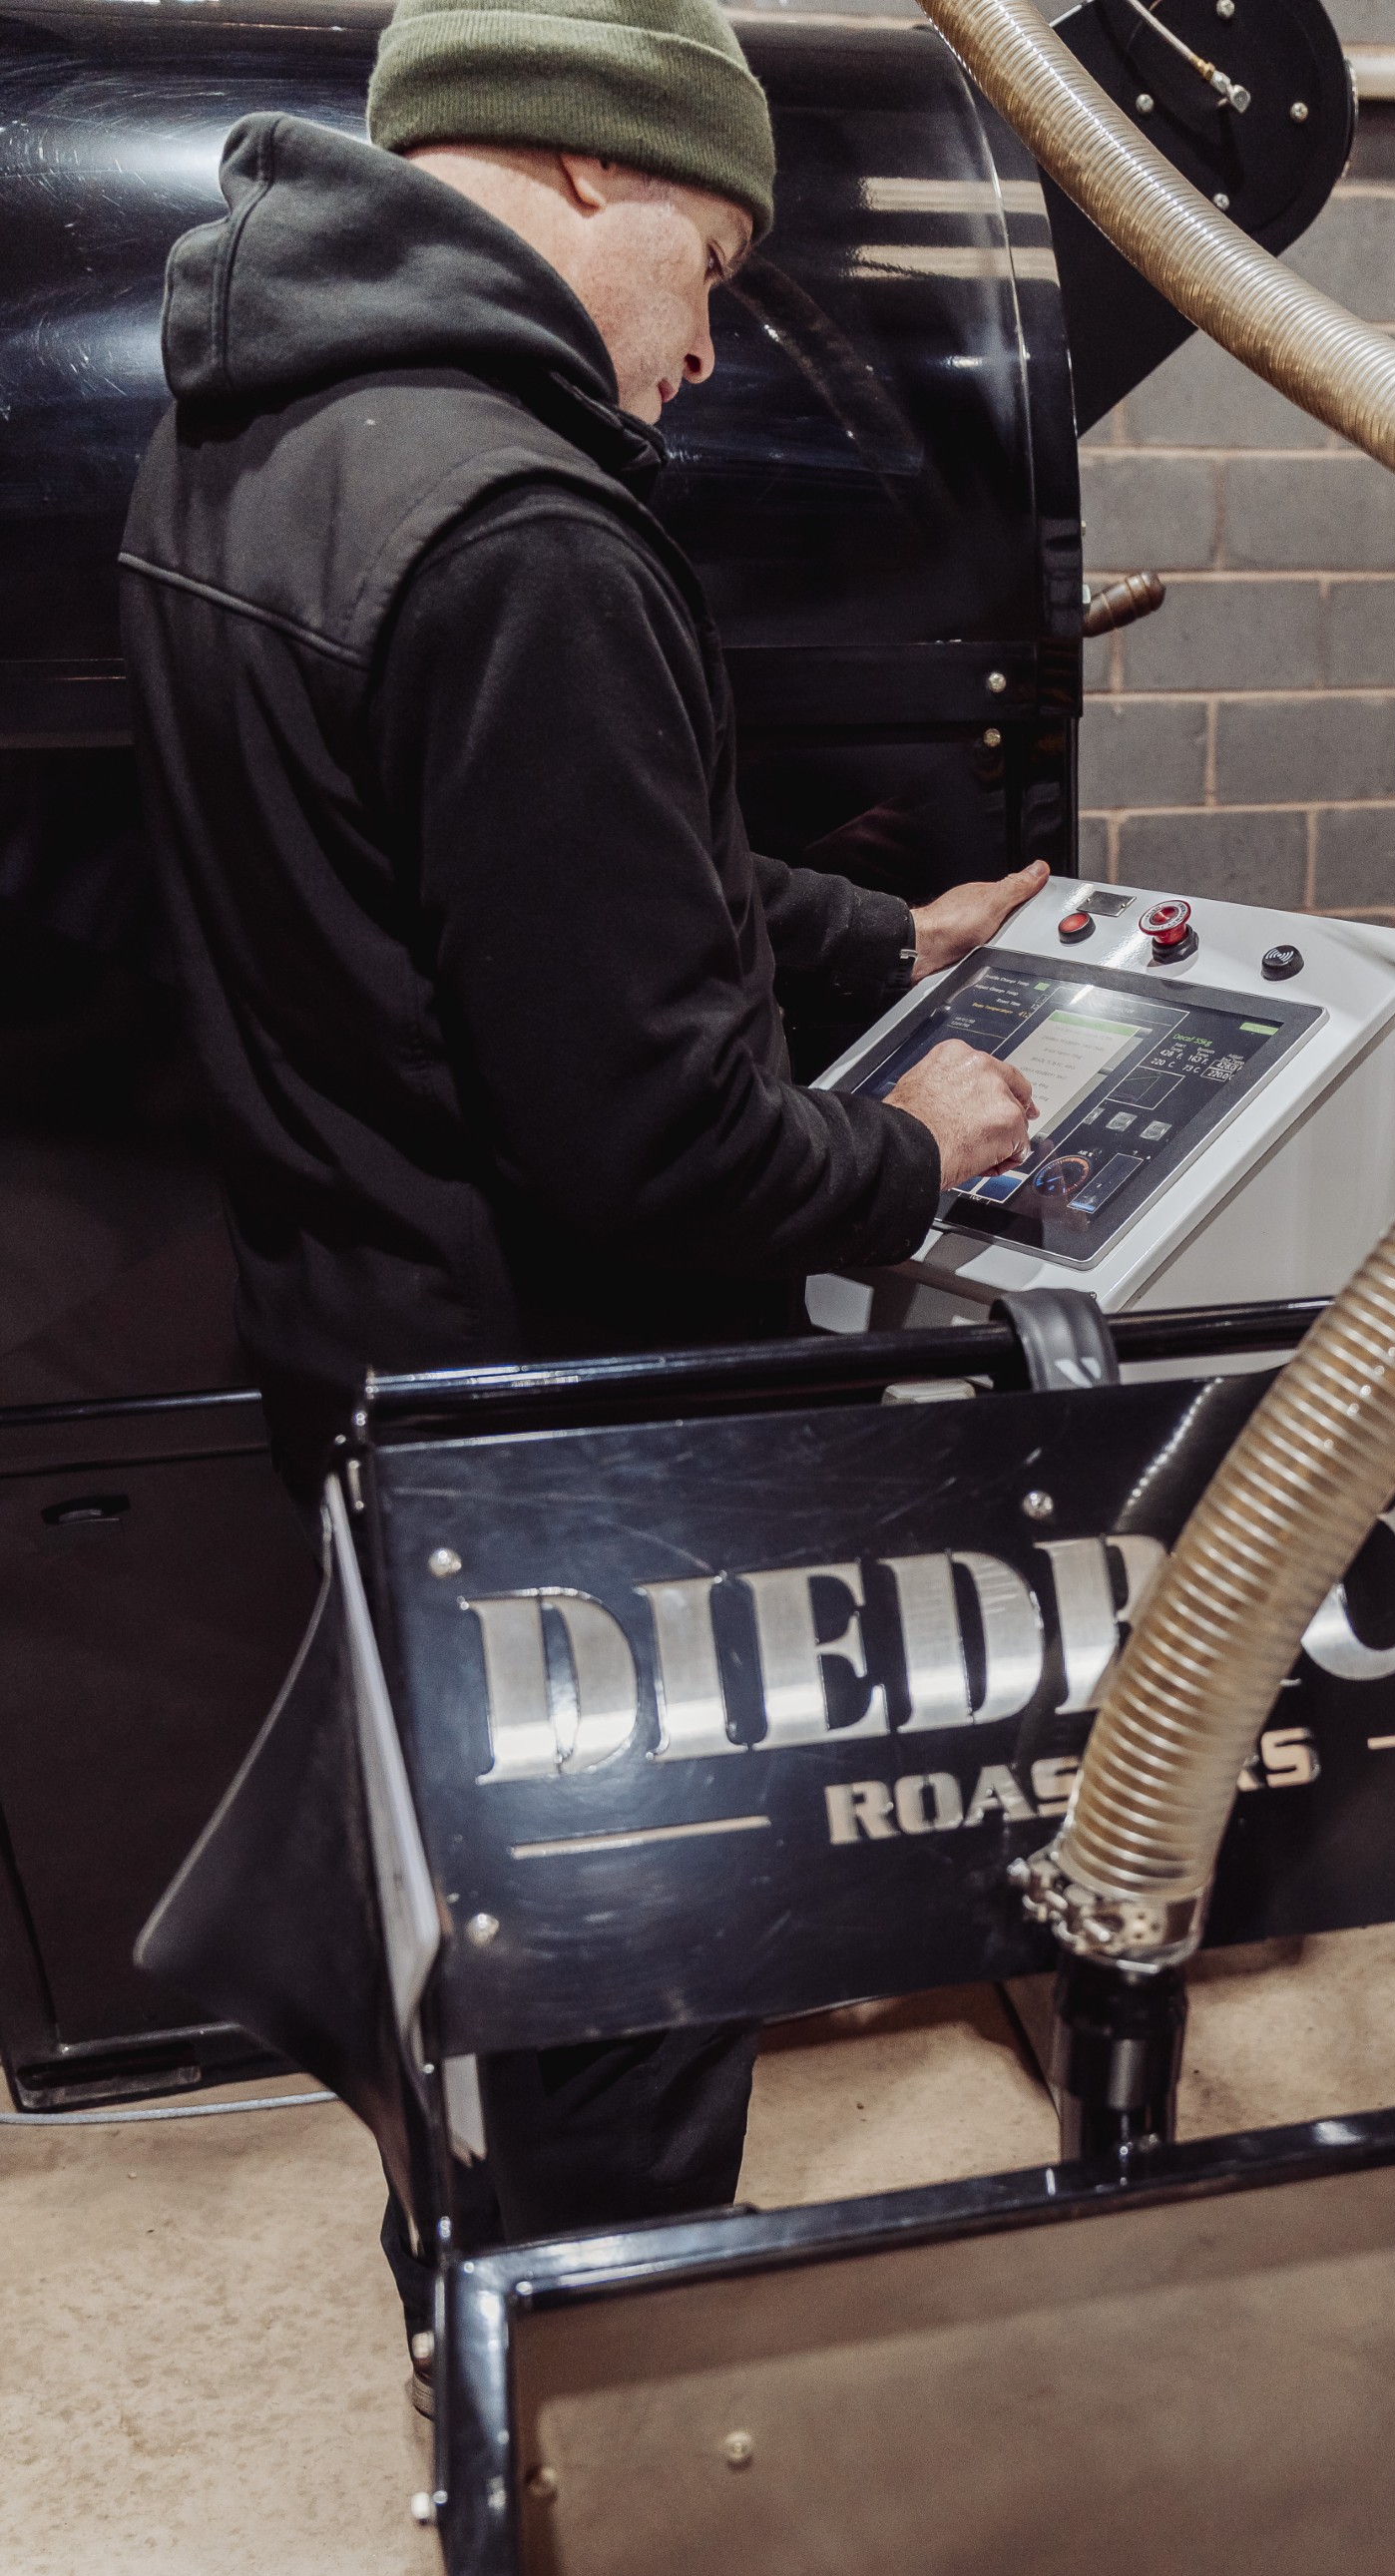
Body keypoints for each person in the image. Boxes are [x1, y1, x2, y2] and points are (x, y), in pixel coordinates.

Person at [119, 0, 1045, 2373]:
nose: (703, 351)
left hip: (368, 1357)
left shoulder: (247, 438)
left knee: (468, 1958)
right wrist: (912, 1151)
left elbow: (527, 863)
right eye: (711, 267)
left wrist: (877, 940)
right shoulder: (525, 526)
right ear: (588, 167)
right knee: (619, 2013)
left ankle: (471, 2345)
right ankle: (597, 2470)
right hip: (567, 1436)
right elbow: (659, 1133)